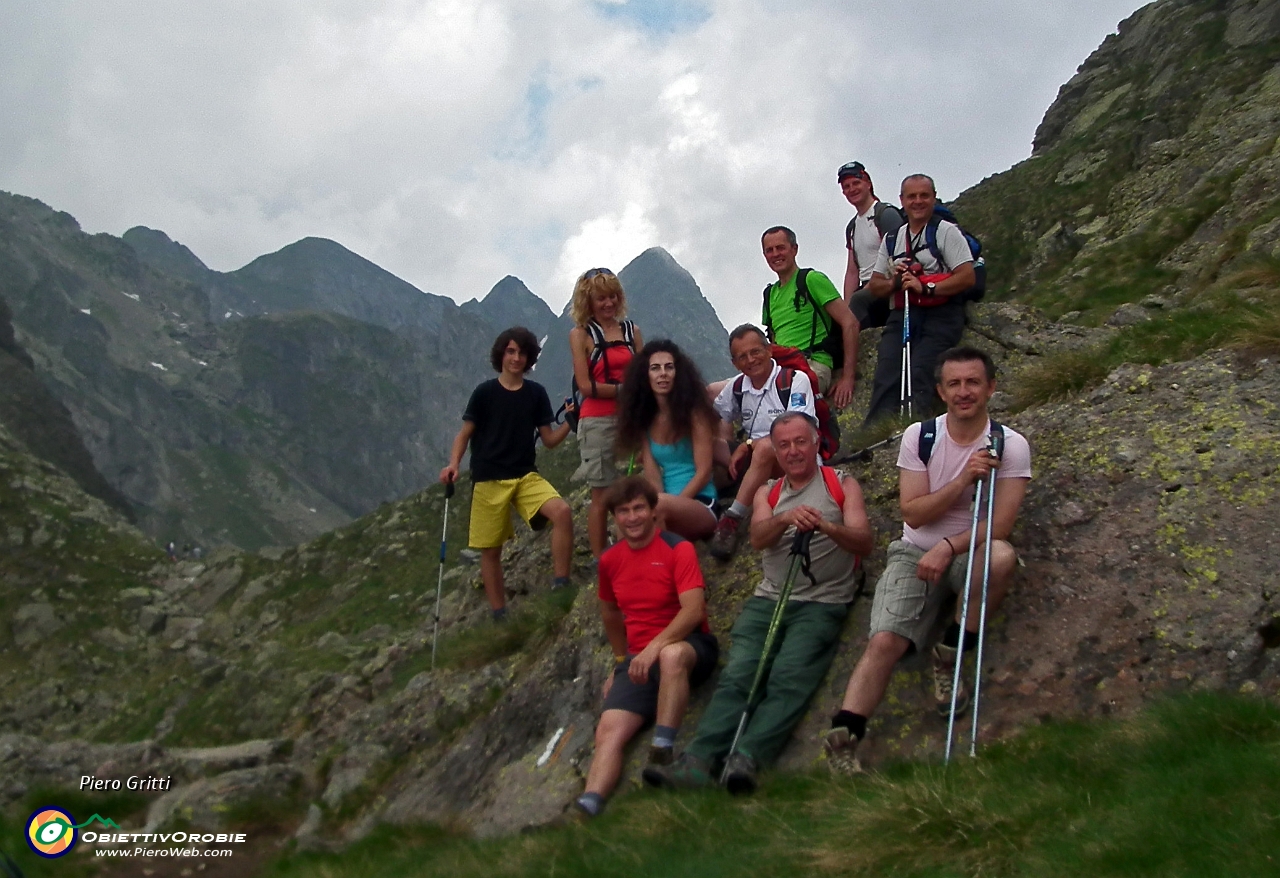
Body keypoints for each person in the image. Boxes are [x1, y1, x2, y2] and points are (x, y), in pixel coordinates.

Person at [824, 347, 1031, 774]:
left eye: (973, 382)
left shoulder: (1010, 446)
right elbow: (913, 512)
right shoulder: (921, 437)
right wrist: (962, 481)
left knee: (1001, 556)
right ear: (940, 391)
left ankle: (950, 652)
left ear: (991, 387)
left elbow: (1001, 525)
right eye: (954, 384)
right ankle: (844, 736)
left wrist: (949, 547)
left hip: (966, 549)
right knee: (885, 641)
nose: (964, 392)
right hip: (913, 550)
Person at [644, 412, 873, 795]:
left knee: (788, 679)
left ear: (816, 442)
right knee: (739, 675)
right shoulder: (768, 490)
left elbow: (863, 541)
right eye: (783, 445)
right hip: (769, 598)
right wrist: (786, 518)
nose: (792, 451)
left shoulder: (842, 485)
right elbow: (758, 538)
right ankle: (699, 760)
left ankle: (748, 757)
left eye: (800, 442)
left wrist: (827, 527)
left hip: (823, 602)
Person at [571, 476, 719, 819]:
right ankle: (589, 805)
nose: (633, 517)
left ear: (654, 511)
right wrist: (622, 660)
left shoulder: (677, 548)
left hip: (690, 645)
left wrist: (654, 647)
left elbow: (694, 609)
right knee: (609, 730)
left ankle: (661, 752)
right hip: (639, 659)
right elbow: (609, 611)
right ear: (615, 518)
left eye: (639, 508)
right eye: (623, 511)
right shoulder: (610, 561)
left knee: (671, 655)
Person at [440, 327, 575, 621]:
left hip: (525, 475)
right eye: (511, 351)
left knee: (562, 512)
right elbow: (464, 435)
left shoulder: (536, 394)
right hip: (488, 478)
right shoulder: (484, 393)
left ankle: (561, 583)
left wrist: (570, 422)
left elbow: (549, 441)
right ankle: (499, 613)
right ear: (501, 354)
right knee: (490, 551)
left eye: (522, 353)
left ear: (529, 358)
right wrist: (453, 465)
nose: (516, 358)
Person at [862, 174, 977, 427]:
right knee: (887, 370)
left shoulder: (946, 232)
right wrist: (896, 281)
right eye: (911, 196)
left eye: (924, 195)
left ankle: (917, 429)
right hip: (904, 311)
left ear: (934, 198)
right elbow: (876, 285)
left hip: (943, 311)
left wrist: (926, 287)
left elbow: (967, 276)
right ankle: (876, 432)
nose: (918, 201)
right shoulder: (893, 238)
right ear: (901, 201)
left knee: (921, 369)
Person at [706, 325, 817, 561]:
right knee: (705, 443)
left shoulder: (794, 381)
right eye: (742, 357)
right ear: (734, 362)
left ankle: (732, 517)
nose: (750, 360)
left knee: (767, 447)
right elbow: (712, 416)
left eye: (755, 352)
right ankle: (703, 495)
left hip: (791, 458)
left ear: (769, 350)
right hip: (756, 457)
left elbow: (795, 431)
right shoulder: (737, 386)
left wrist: (748, 446)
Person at [569, 267, 643, 560]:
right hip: (596, 420)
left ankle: (636, 547)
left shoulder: (632, 331)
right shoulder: (579, 335)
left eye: (613, 296)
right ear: (589, 301)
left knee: (636, 486)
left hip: (631, 419)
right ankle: (604, 561)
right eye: (601, 298)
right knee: (601, 495)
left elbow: (644, 371)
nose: (609, 303)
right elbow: (585, 386)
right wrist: (627, 391)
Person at [616, 340, 720, 542]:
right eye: (655, 368)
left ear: (678, 373)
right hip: (664, 505)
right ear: (645, 376)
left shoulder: (695, 415)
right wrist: (653, 508)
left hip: (701, 503)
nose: (662, 373)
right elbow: (653, 476)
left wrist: (667, 504)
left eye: (669, 367)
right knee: (627, 518)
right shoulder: (645, 421)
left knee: (654, 509)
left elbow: (704, 472)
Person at [760, 225, 859, 410]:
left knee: (785, 401)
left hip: (812, 363)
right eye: (769, 250)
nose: (775, 254)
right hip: (782, 368)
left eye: (780, 248)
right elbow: (773, 341)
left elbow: (850, 323)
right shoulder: (769, 294)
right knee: (718, 393)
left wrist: (848, 377)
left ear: (794, 249)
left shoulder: (811, 280)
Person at [838, 161, 904, 331]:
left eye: (856, 183)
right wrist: (846, 307)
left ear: (868, 183)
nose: (852, 189)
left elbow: (899, 255)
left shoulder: (885, 214)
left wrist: (856, 300)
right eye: (847, 186)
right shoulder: (852, 227)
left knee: (859, 303)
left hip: (887, 284)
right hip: (865, 287)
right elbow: (852, 271)